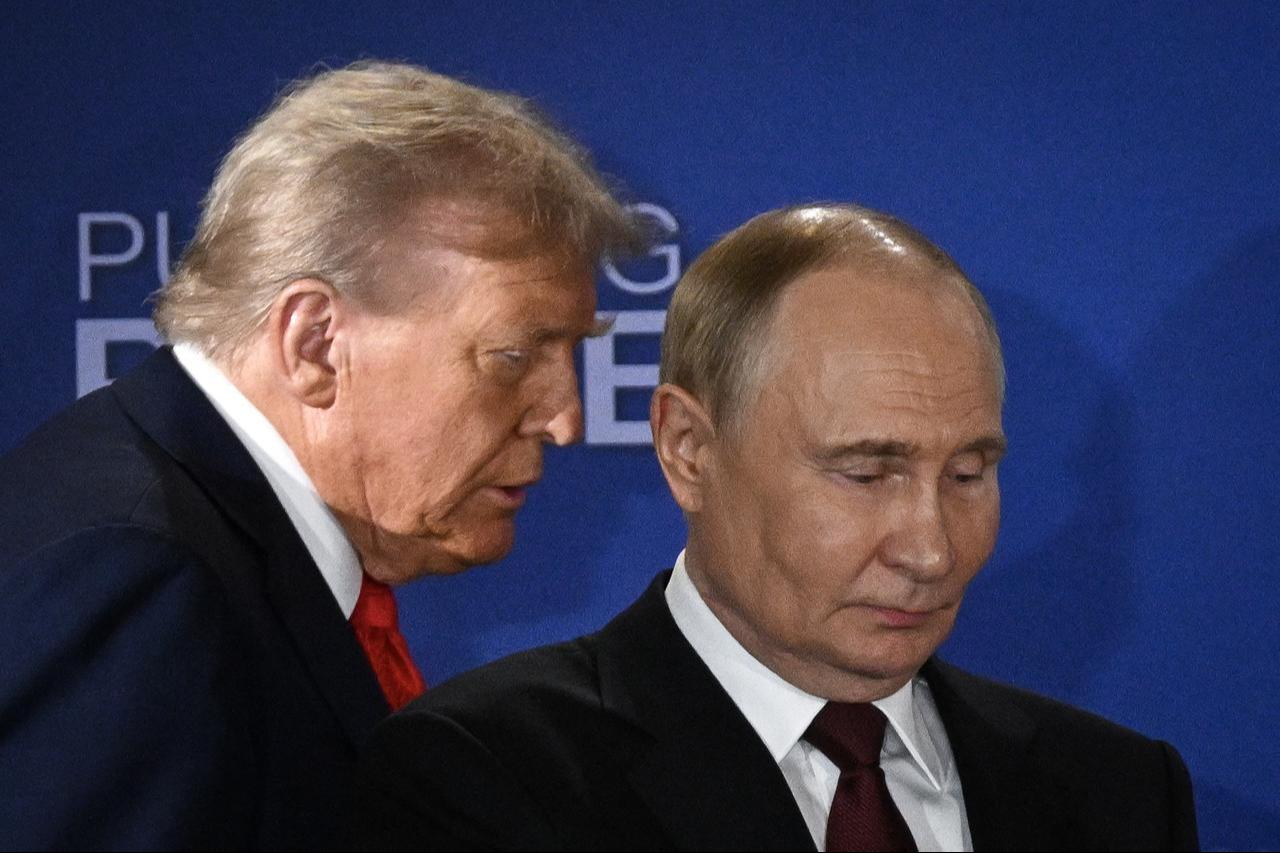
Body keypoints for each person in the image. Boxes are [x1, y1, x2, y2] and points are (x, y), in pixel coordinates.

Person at [356, 204, 1199, 851]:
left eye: (969, 474)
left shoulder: (1119, 793)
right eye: (866, 474)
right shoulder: (487, 776)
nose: (932, 548)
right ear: (688, 448)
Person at [0, 61, 638, 850]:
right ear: (315, 344)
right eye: (513, 354)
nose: (567, 419)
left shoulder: (198, 535)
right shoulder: (144, 583)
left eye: (570, 355)